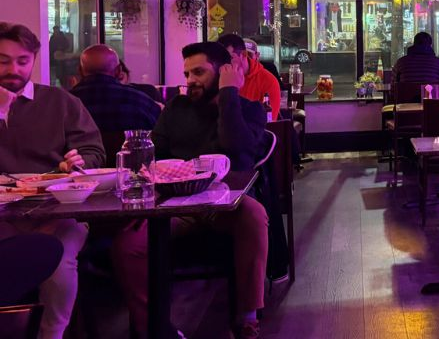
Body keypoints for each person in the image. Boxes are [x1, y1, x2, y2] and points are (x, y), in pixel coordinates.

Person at [111, 41, 269, 338]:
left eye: (198, 72)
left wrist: (228, 94)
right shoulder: (176, 109)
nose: (190, 80)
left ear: (225, 72)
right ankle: (155, 328)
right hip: (173, 205)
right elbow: (152, 156)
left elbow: (240, 153)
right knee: (127, 245)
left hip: (224, 204)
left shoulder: (249, 110)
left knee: (254, 214)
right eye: (186, 73)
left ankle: (247, 316)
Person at [0, 22, 103, 339]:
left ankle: (52, 335)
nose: (13, 69)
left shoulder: (60, 102)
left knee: (58, 262)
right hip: (4, 215)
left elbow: (94, 152)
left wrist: (79, 161)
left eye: (22, 60)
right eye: (3, 60)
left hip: (58, 208)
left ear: (34, 60)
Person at [69, 44, 160, 133]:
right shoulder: (142, 101)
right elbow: (160, 136)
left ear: (80, 71)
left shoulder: (66, 103)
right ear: (118, 71)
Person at [217, 33, 280, 121]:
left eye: (229, 58)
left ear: (243, 54)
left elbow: (270, 121)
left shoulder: (267, 80)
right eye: (220, 59)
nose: (224, 64)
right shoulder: (217, 77)